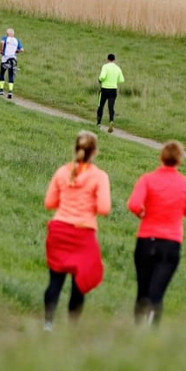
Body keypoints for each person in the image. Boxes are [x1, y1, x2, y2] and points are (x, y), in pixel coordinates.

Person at [127, 140, 186, 326]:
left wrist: (142, 213)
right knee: (157, 294)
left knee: (143, 291)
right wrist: (176, 209)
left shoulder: (147, 179)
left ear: (161, 157)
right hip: (170, 244)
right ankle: (152, 333)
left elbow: (134, 204)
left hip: (146, 240)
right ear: (180, 160)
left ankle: (137, 331)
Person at [42, 130, 111, 330]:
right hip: (83, 233)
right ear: (95, 152)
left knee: (55, 279)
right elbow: (104, 208)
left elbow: (49, 202)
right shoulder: (99, 176)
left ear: (75, 148)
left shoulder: (62, 171)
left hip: (59, 230)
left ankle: (48, 324)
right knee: (79, 283)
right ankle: (72, 325)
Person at [96, 53, 124, 133]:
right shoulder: (118, 68)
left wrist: (100, 80)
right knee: (111, 107)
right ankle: (111, 121)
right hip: (113, 89)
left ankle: (98, 123)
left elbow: (102, 77)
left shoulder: (105, 66)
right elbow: (121, 80)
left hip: (104, 89)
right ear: (114, 60)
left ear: (107, 59)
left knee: (100, 106)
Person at [0, 27, 23, 99]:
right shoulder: (17, 40)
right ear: (13, 34)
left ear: (7, 33)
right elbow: (22, 49)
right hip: (13, 59)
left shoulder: (5, 38)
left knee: (2, 73)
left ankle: (1, 90)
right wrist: (16, 51)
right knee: (11, 75)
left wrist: (1, 50)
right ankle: (10, 91)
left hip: (5, 58)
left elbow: (1, 43)